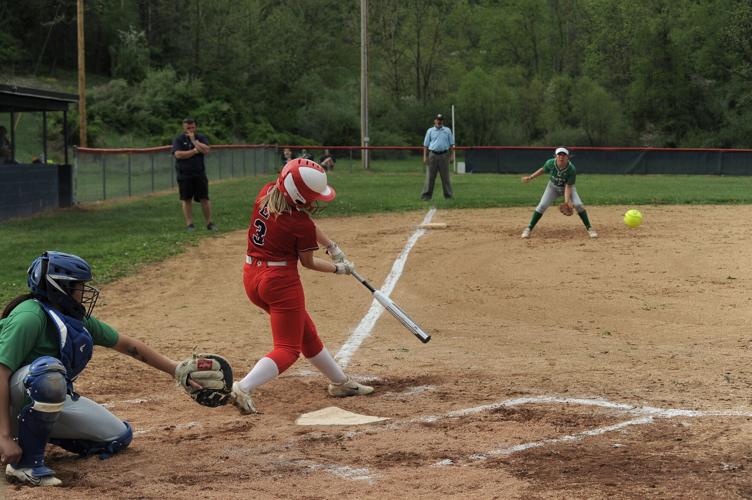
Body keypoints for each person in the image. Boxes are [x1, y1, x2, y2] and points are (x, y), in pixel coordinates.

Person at [0, 251, 214, 487]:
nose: (85, 291)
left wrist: (176, 370)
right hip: (10, 396)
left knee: (116, 436)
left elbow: (128, 345)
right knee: (48, 373)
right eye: (79, 285)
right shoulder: (29, 317)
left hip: (28, 397)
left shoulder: (71, 319)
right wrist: (4, 436)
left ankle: (31, 436)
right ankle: (25, 465)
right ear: (59, 287)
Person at [230, 158, 373, 415]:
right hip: (280, 283)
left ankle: (341, 383)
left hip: (252, 276)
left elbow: (305, 220)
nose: (314, 201)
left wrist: (332, 246)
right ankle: (242, 387)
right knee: (287, 349)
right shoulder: (299, 225)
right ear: (299, 197)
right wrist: (339, 268)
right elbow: (308, 262)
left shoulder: (267, 193)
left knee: (306, 333)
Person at [520, 147, 598, 239]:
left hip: (568, 188)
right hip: (552, 187)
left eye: (563, 155)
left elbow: (568, 186)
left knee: (578, 205)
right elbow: (543, 170)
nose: (561, 157)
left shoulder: (571, 169)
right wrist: (531, 177)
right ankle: (528, 229)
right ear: (555, 156)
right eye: (559, 155)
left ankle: (590, 228)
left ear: (568, 157)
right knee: (542, 206)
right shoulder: (550, 163)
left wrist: (567, 201)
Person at [172, 118, 217, 232]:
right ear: (184, 127)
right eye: (188, 128)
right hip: (184, 174)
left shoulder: (200, 137)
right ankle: (190, 224)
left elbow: (206, 150)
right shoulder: (179, 139)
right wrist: (195, 151)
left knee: (204, 198)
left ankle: (209, 223)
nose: (191, 130)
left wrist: (194, 141)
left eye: (193, 127)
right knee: (186, 199)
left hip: (199, 173)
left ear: (195, 127)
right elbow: (178, 154)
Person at [421, 113, 454, 200]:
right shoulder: (430, 131)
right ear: (435, 121)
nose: (439, 121)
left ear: (442, 121)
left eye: (441, 120)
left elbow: (451, 145)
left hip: (444, 155)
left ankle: (448, 196)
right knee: (430, 177)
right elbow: (425, 145)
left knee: (445, 177)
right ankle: (426, 196)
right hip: (433, 155)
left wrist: (452, 156)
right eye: (438, 120)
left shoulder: (447, 130)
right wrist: (425, 156)